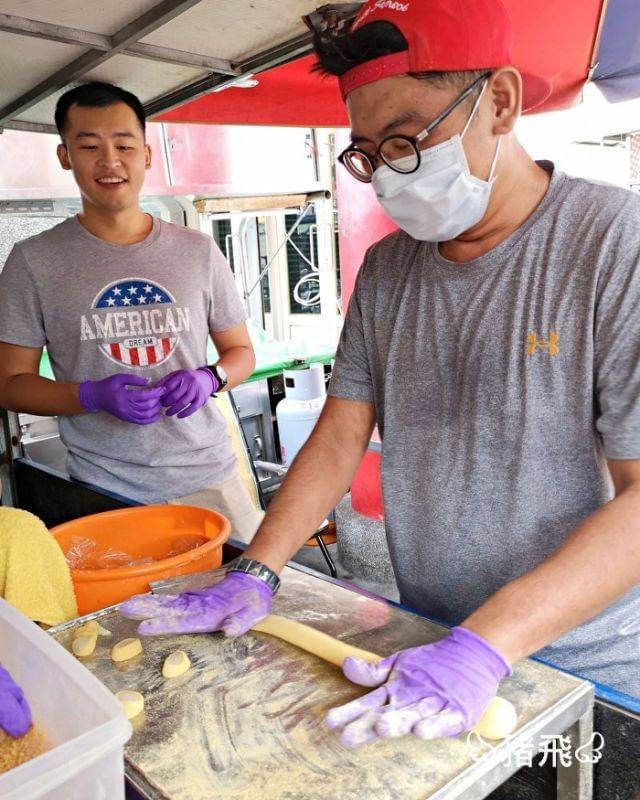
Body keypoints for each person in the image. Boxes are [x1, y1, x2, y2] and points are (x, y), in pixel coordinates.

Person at [121, 0, 640, 749]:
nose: (388, 175)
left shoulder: (613, 245)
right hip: (427, 640)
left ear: (499, 102)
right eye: (368, 152)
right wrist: (258, 570)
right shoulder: (389, 269)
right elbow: (341, 433)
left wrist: (486, 646)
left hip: (584, 667)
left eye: (407, 139)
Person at [0, 82, 261, 542]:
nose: (110, 162)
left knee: (241, 588)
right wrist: (90, 396)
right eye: (89, 146)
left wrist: (210, 378)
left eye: (124, 145)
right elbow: (10, 384)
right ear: (65, 156)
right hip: (106, 492)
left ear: (147, 154)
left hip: (212, 480)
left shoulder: (198, 250)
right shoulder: (33, 261)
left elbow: (241, 352)